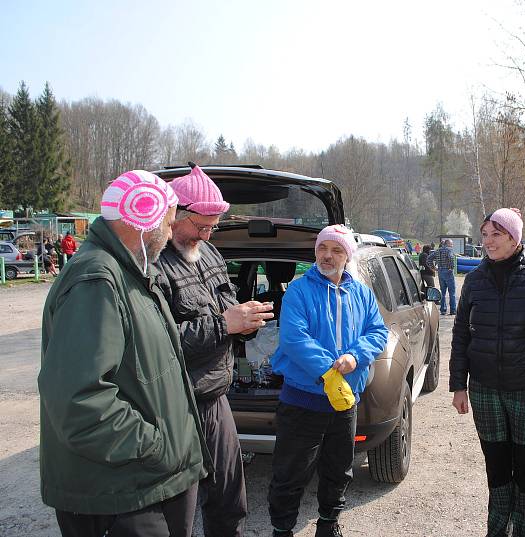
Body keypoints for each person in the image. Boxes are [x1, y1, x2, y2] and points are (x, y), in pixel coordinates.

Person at [39, 170, 209, 537]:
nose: (169, 232)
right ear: (142, 222)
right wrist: (159, 448)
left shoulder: (127, 272)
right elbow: (80, 401)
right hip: (123, 494)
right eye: (167, 222)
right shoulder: (97, 279)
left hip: (143, 486)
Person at [154, 164, 274, 536]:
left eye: (212, 227)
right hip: (177, 406)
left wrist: (245, 320)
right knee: (180, 511)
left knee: (228, 500)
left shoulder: (208, 253)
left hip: (215, 398)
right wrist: (225, 324)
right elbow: (160, 341)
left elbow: (226, 304)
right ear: (174, 215)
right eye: (199, 226)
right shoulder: (154, 264)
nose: (205, 235)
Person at [450, 208, 525, 537]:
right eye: (485, 235)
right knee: (497, 462)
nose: (488, 242)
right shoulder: (475, 279)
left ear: (515, 238)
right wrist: (457, 385)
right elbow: (462, 332)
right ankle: (497, 527)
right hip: (485, 389)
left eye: (497, 234)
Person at [268, 225, 388, 537]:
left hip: (345, 401)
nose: (328, 255)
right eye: (323, 249)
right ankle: (282, 529)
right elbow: (295, 339)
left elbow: (377, 332)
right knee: (290, 473)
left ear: (347, 256)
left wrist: (355, 356)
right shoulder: (298, 291)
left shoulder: (361, 293)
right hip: (302, 401)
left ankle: (328, 523)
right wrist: (329, 371)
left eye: (336, 250)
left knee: (339, 468)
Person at [427, 238, 457, 315]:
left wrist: (433, 268)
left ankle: (443, 310)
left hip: (440, 271)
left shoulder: (438, 250)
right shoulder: (449, 250)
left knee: (443, 292)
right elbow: (451, 257)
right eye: (451, 244)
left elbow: (429, 259)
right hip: (448, 271)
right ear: (448, 244)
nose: (452, 246)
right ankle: (453, 310)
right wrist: (451, 267)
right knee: (452, 292)